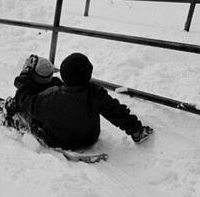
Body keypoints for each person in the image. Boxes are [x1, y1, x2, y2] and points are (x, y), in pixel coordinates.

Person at [10, 52, 153, 150]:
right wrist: (136, 129)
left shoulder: (51, 98)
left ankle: (14, 118)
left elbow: (28, 101)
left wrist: (24, 80)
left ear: (64, 76)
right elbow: (115, 111)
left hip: (58, 140)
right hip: (89, 137)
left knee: (28, 113)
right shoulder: (95, 92)